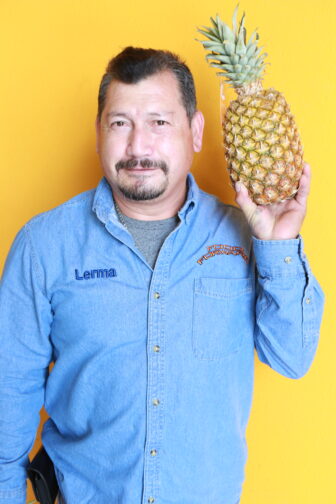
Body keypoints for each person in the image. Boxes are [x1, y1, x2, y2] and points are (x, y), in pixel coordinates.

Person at [0, 47, 324, 504]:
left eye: (159, 122)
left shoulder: (247, 238)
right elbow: (7, 394)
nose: (138, 147)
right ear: (98, 133)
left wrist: (278, 244)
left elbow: (292, 357)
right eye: (120, 123)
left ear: (195, 132)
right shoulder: (43, 245)